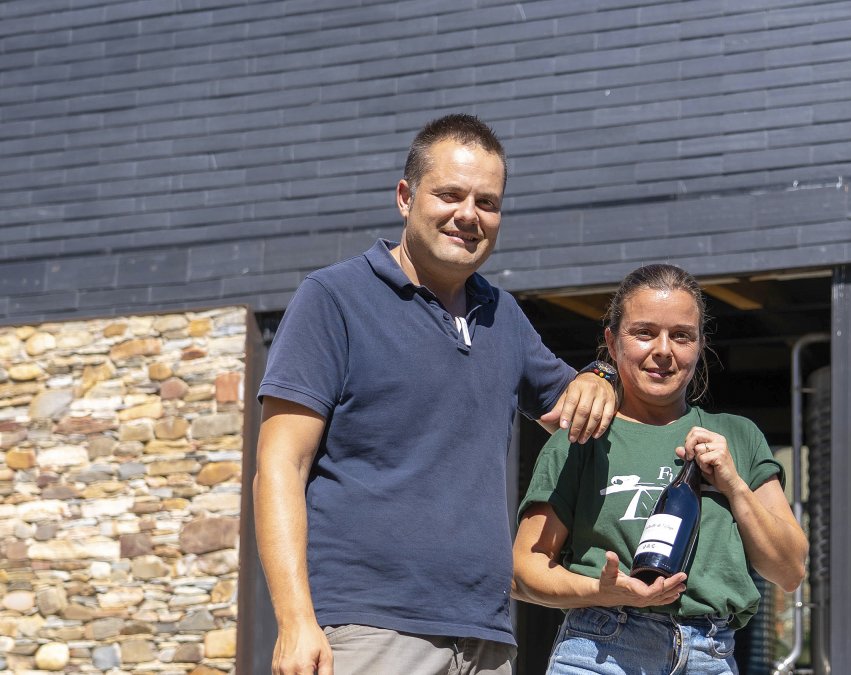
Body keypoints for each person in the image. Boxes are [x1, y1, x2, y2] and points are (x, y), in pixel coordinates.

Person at [254, 114, 618, 675]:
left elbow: (577, 408)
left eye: (487, 202)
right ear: (406, 197)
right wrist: (295, 618)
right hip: (366, 628)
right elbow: (281, 464)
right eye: (450, 195)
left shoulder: (503, 316)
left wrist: (601, 376)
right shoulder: (333, 298)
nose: (468, 216)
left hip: (485, 636)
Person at [512, 264, 808, 674]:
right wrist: (600, 591)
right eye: (644, 332)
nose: (664, 350)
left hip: (711, 656)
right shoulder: (583, 436)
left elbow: (790, 571)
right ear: (613, 343)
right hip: (602, 650)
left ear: (700, 345)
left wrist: (734, 485)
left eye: (681, 335)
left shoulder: (737, 437)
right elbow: (524, 570)